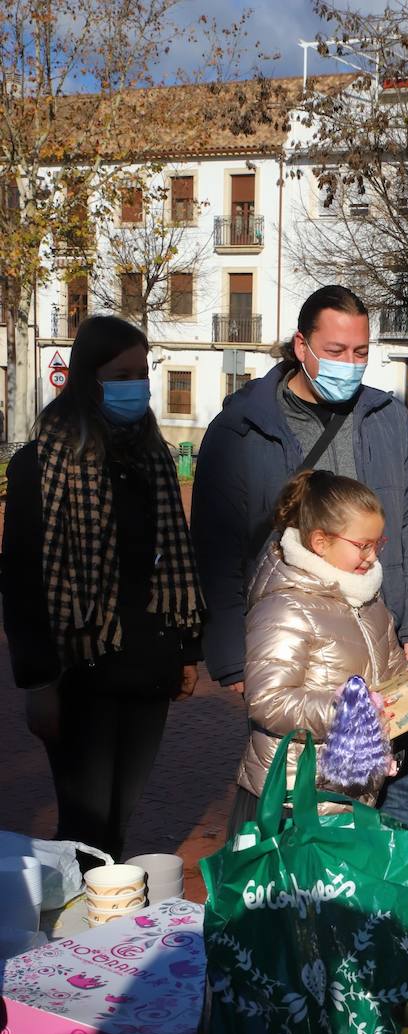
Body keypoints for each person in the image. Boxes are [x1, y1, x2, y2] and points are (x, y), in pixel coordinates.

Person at [191, 284, 408, 830]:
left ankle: (378, 904)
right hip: (296, 640)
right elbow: (215, 546)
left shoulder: (388, 417)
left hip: (383, 633)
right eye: (335, 351)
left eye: (360, 353)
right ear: (301, 346)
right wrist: (232, 654)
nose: (349, 365)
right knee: (299, 797)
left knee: (391, 803)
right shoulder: (241, 429)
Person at [0, 315, 203, 858]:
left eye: (143, 373)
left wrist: (186, 653)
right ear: (90, 378)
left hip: (145, 668)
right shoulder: (38, 465)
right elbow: (21, 577)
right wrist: (37, 682)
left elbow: (173, 562)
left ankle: (105, 923)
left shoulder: (154, 459)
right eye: (122, 374)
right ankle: (81, 929)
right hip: (77, 670)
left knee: (121, 814)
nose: (137, 386)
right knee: (85, 823)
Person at [232, 470, 406, 828]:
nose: (372, 557)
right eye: (362, 545)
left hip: (351, 795)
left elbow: (393, 677)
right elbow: (269, 700)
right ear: (320, 542)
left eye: (378, 544)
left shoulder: (372, 605)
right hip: (292, 800)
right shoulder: (286, 608)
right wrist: (347, 715)